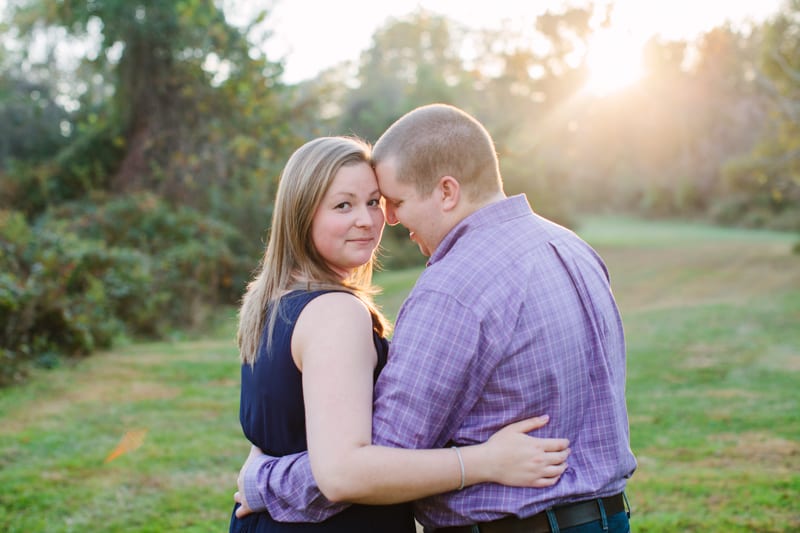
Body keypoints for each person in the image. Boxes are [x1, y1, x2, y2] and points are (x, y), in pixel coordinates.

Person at [229, 135, 572, 533]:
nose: (368, 220)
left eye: (374, 202)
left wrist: (262, 474)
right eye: (343, 205)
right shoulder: (336, 313)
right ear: (301, 215)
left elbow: (280, 434)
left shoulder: (272, 303)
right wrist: (485, 461)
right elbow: (342, 473)